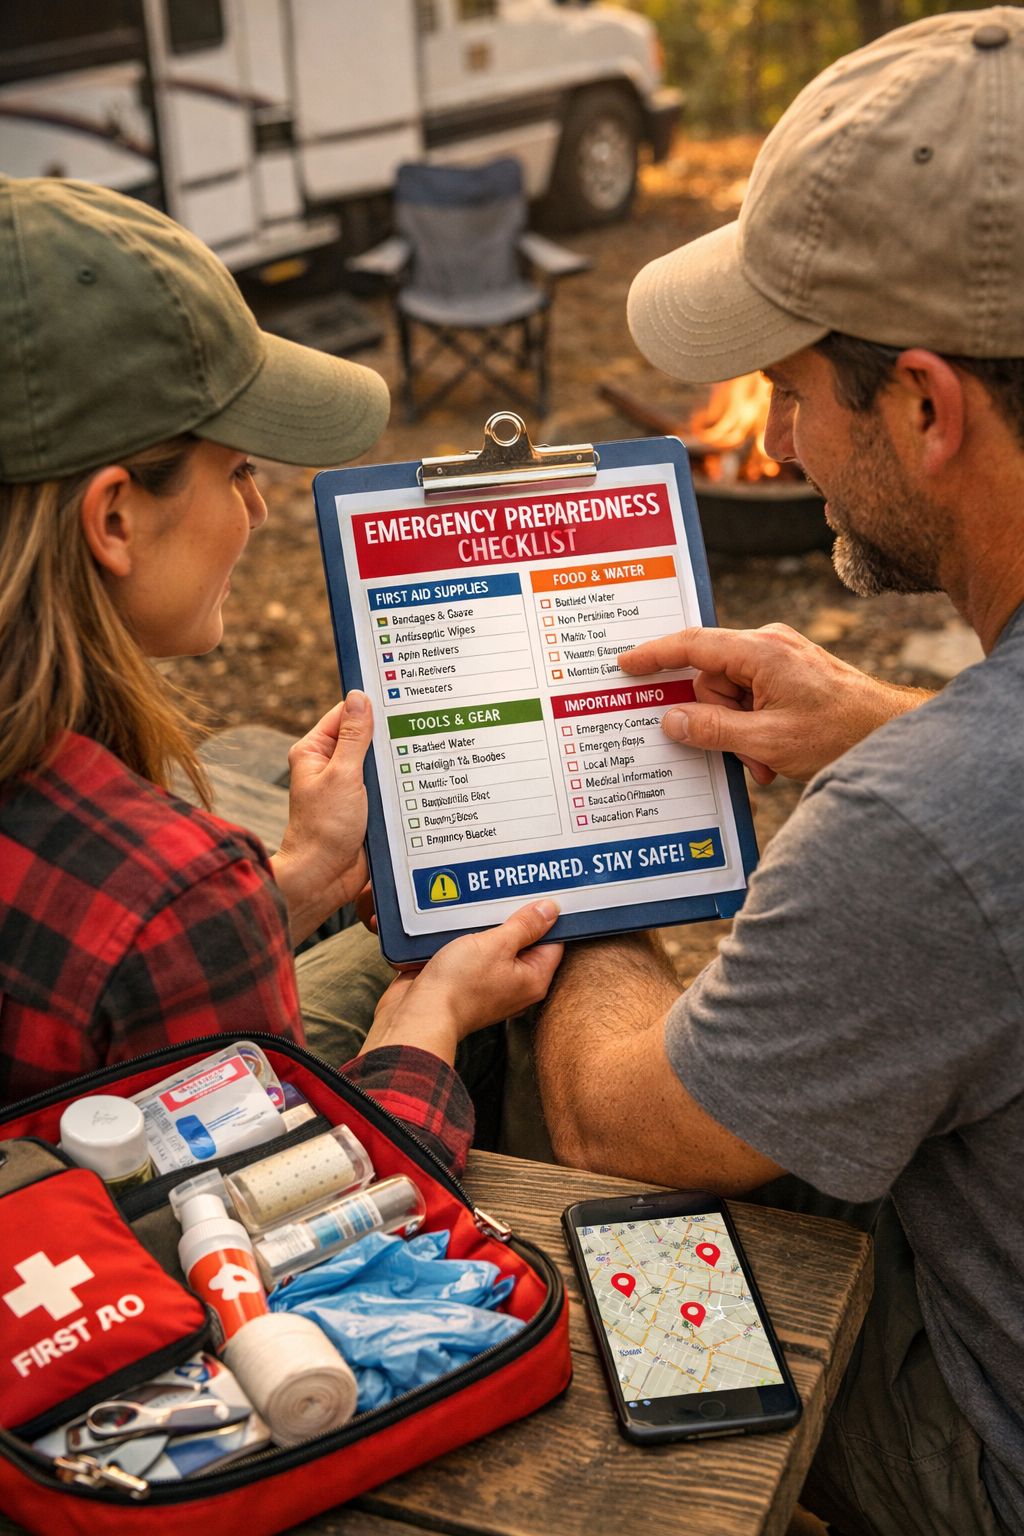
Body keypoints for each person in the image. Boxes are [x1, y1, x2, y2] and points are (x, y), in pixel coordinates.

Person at [505, 11, 1024, 1536]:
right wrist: (888, 720)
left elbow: (620, 1123)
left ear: (926, 406)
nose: (779, 436)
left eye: (793, 387)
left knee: (563, 1109)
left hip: (990, 1459)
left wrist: (577, 856)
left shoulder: (922, 828)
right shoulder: (942, 795)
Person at [0, 173, 562, 1176]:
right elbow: (295, 1250)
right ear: (114, 519)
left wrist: (299, 879)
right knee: (471, 976)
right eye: (237, 470)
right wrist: (424, 1017)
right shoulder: (164, 892)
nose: (258, 513)